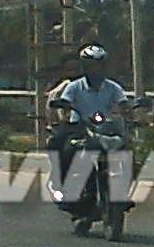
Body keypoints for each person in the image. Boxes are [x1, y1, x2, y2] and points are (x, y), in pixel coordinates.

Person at [47, 43, 129, 231]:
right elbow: (65, 102)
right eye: (92, 65)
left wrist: (129, 113)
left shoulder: (113, 87)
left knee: (127, 150)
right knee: (61, 147)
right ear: (84, 66)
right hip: (80, 128)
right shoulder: (74, 87)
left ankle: (121, 191)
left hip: (105, 129)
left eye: (99, 65)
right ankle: (66, 189)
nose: (96, 69)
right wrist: (65, 108)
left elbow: (122, 104)